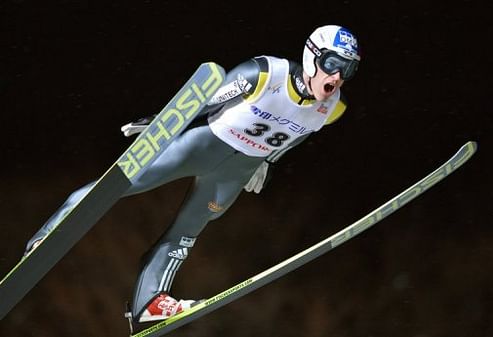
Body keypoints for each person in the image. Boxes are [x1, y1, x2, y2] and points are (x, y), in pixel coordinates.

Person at [24, 24, 361, 329]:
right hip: (203, 146)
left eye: (348, 69)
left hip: (234, 172)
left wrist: (268, 161)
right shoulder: (264, 73)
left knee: (185, 235)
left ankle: (150, 303)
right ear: (312, 56)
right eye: (333, 64)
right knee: (119, 185)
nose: (338, 77)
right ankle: (48, 235)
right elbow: (204, 101)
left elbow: (299, 133)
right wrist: (160, 123)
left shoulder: (333, 109)